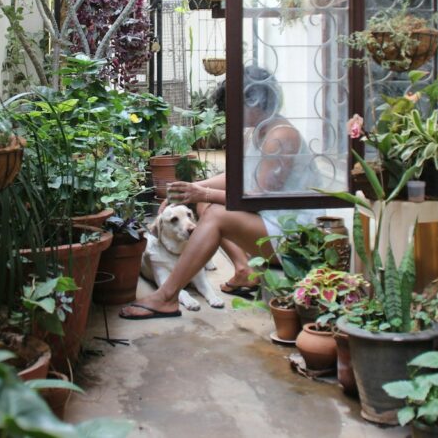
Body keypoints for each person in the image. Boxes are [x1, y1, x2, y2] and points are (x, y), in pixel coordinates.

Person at [120, 65, 323, 319]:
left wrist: (202, 193)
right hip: (274, 224)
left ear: (254, 100)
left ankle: (167, 297)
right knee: (206, 205)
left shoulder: (280, 137)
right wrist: (191, 190)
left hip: (296, 237)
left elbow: (256, 199)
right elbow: (236, 178)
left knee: (215, 213)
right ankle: (243, 270)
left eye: (234, 105)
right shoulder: (260, 131)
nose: (230, 113)